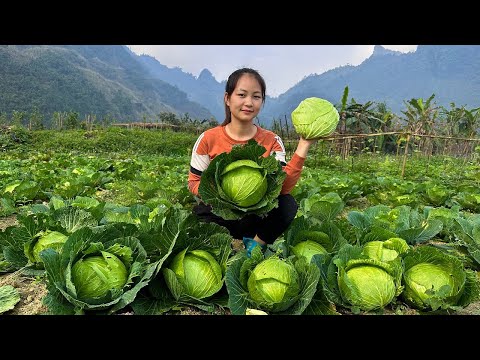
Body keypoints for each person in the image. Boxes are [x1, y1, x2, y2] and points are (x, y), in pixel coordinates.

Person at [187, 67, 317, 257]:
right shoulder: (208, 139)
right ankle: (222, 245)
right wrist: (221, 196)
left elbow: (283, 188)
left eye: (256, 97)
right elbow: (193, 182)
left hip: (257, 215)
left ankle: (256, 244)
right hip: (221, 213)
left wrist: (304, 145)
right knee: (200, 215)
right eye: (241, 95)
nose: (249, 102)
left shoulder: (272, 141)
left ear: (262, 102)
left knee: (287, 205)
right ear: (227, 98)